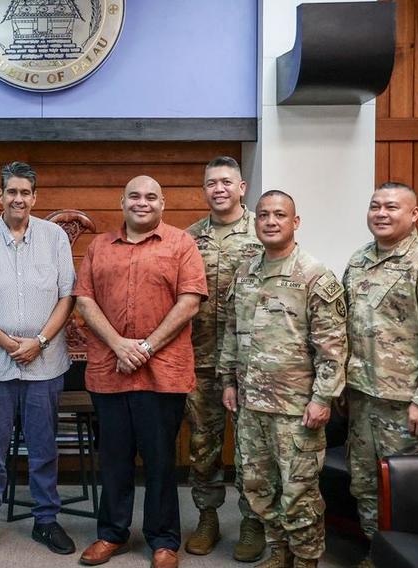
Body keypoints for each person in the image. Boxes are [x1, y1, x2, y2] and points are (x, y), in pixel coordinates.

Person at [75, 175, 206, 568]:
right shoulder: (99, 246)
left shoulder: (181, 243)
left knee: (161, 460)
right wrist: (119, 344)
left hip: (163, 374)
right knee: (114, 458)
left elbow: (189, 302)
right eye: (135, 196)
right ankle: (111, 533)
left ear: (163, 204)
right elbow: (83, 300)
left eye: (151, 197)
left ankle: (163, 540)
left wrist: (145, 347)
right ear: (122, 202)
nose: (142, 202)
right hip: (109, 371)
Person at [0, 161, 76, 558]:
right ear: (0, 196)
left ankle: (45, 520)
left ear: (34, 197)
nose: (18, 198)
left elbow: (67, 297)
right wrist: (9, 343)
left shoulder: (55, 238)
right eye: (11, 192)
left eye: (25, 192)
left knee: (43, 448)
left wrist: (39, 341)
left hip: (44, 364)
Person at [219, 191, 347, 568]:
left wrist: (323, 398)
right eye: (263, 215)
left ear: (296, 222)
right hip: (251, 406)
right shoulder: (246, 272)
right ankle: (278, 553)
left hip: (296, 410)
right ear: (255, 221)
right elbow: (232, 330)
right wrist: (228, 380)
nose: (270, 221)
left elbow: (333, 348)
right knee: (258, 488)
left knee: (299, 495)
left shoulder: (314, 275)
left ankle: (305, 561)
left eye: (279, 214)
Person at [343, 182, 418, 567]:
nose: (381, 213)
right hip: (363, 399)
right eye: (375, 205)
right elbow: (346, 328)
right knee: (365, 485)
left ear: (413, 215)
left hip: (407, 407)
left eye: (392, 207)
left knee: (410, 491)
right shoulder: (359, 260)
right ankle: (377, 555)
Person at [184, 156, 265, 560]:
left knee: (251, 449)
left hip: (251, 365)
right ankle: (207, 518)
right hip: (200, 360)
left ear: (242, 187)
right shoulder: (189, 237)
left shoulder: (263, 232)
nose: (219, 189)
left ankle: (252, 524)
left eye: (226, 182)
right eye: (211, 182)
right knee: (203, 446)